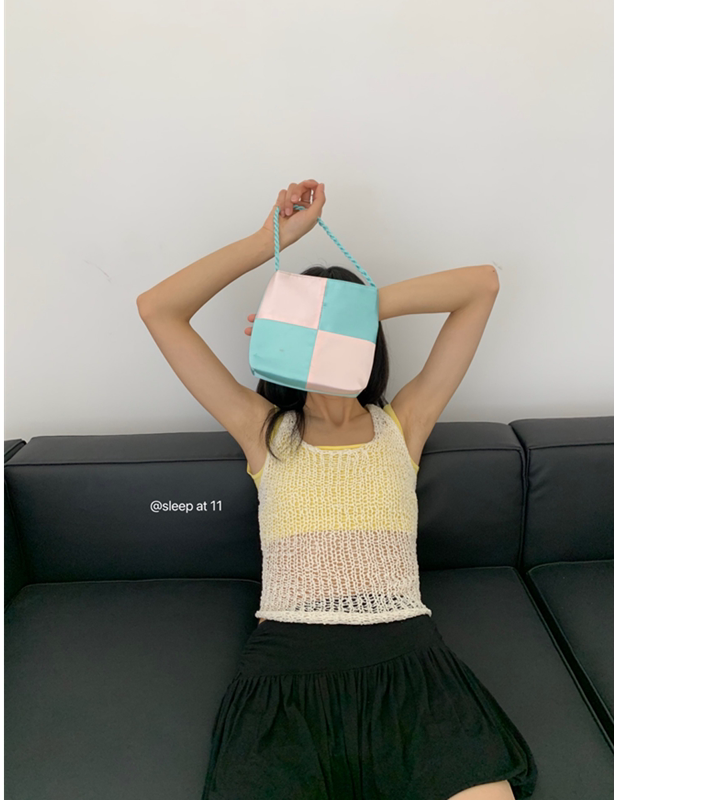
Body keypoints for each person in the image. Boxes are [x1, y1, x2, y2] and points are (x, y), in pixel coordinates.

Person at [137, 180, 538, 800]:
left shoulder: (404, 424)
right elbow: (158, 309)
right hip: (286, 670)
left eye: (347, 329)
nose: (330, 341)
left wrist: (350, 312)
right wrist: (270, 238)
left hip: (409, 663)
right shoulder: (262, 431)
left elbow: (481, 285)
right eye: (312, 329)